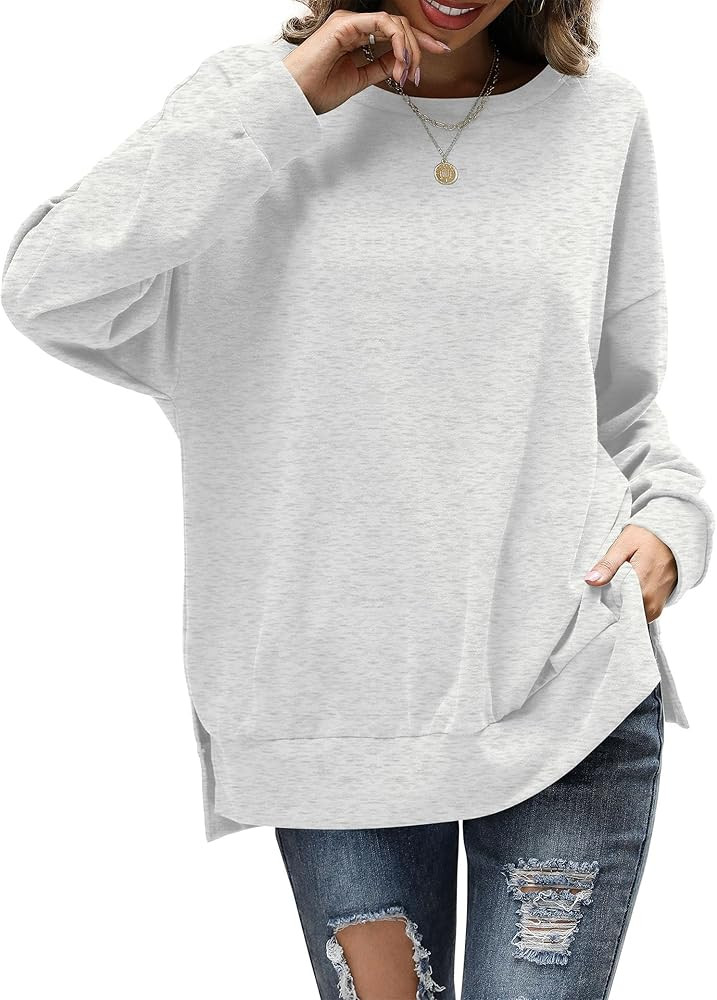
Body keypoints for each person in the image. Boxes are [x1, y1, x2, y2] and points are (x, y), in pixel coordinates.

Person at [2, 1, 712, 997]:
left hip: (570, 689)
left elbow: (620, 403)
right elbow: (48, 286)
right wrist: (285, 99)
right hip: (329, 724)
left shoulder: (601, 119)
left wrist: (672, 523)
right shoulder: (249, 107)